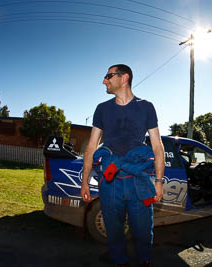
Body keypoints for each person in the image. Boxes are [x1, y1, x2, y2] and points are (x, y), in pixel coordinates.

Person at [81, 64, 164, 267]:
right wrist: (85, 182)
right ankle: (120, 262)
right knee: (114, 229)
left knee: (143, 229)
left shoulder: (146, 107)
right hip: (110, 182)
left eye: (108, 76)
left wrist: (159, 181)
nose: (104, 80)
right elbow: (92, 146)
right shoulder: (102, 109)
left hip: (139, 181)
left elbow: (157, 146)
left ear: (124, 78)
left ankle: (144, 260)